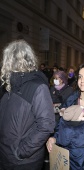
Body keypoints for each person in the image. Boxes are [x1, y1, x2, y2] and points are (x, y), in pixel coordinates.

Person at [0, 40, 55, 170]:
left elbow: (46, 125)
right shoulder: (7, 85)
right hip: (4, 156)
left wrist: (22, 151)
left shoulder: (38, 86)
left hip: (24, 161)